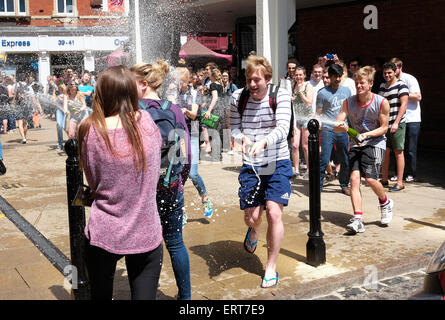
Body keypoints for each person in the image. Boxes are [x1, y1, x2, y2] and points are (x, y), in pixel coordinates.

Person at [77, 65, 163, 300]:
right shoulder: (146, 122)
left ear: (102, 93)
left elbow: (93, 181)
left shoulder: (91, 130)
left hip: (105, 232)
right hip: (146, 230)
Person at [131, 60, 192, 300]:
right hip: (170, 184)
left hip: (142, 189)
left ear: (144, 85)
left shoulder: (133, 110)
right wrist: (178, 180)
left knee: (145, 245)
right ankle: (185, 298)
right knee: (175, 242)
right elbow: (186, 154)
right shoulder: (174, 109)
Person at [230, 55, 292, 288]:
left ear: (267, 78)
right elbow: (234, 127)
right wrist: (241, 137)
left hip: (277, 161)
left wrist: (264, 142)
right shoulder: (238, 97)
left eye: (257, 79)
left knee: (274, 213)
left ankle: (270, 267)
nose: (252, 84)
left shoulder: (281, 95)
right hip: (252, 164)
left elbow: (283, 127)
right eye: (248, 79)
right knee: (252, 218)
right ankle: (254, 232)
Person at [334, 66, 394, 234]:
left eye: (362, 83)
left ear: (370, 84)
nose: (359, 86)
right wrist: (342, 126)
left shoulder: (381, 102)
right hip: (356, 144)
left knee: (370, 179)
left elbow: (383, 128)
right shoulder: (348, 103)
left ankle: (385, 202)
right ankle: (358, 219)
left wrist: (366, 135)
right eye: (357, 83)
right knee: (354, 179)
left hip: (375, 143)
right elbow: (337, 126)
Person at [176, 67, 214, 219]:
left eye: (179, 81)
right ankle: (181, 209)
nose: (177, 84)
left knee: (192, 173)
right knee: (177, 175)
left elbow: (193, 115)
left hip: (191, 135)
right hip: (177, 135)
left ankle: (204, 197)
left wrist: (182, 110)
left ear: (186, 81)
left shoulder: (194, 93)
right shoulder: (172, 94)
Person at [316, 63, 352, 195]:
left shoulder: (347, 91)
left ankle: (344, 184)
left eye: (339, 76)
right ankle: (318, 186)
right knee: (324, 160)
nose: (337, 79)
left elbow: (350, 110)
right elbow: (318, 113)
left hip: (342, 131)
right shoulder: (322, 93)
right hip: (327, 131)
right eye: (335, 76)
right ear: (329, 77)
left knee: (345, 159)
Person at [378, 62, 409, 192]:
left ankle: (400, 182)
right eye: (385, 73)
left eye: (389, 72)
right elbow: (379, 105)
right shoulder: (382, 86)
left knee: (398, 153)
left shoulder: (401, 85)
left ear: (395, 71)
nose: (387, 75)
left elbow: (404, 105)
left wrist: (396, 122)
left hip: (398, 123)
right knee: (385, 152)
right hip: (385, 124)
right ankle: (384, 180)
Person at [390, 57, 422, 183]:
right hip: (397, 118)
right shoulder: (390, 81)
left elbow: (418, 96)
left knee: (410, 149)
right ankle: (398, 175)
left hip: (412, 118)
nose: (392, 70)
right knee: (396, 148)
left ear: (400, 68)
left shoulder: (409, 79)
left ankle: (411, 174)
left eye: (395, 68)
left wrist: (403, 94)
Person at [291, 66, 313, 178]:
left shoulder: (308, 86)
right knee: (294, 145)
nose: (298, 77)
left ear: (304, 75)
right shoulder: (293, 85)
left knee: (305, 146)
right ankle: (296, 170)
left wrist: (300, 93)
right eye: (297, 75)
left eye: (300, 74)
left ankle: (309, 170)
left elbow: (309, 102)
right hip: (295, 118)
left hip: (306, 118)